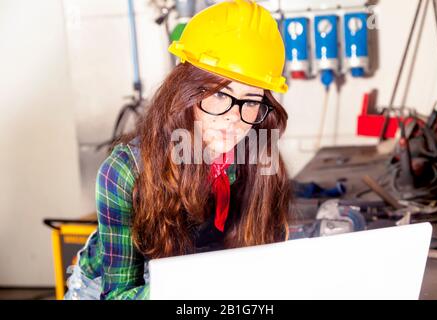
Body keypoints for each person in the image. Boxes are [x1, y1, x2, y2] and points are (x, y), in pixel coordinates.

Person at [65, 0, 291, 300]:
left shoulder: (256, 156)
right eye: (220, 95)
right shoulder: (125, 171)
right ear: (186, 91)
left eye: (251, 100)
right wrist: (194, 286)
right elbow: (118, 293)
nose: (233, 118)